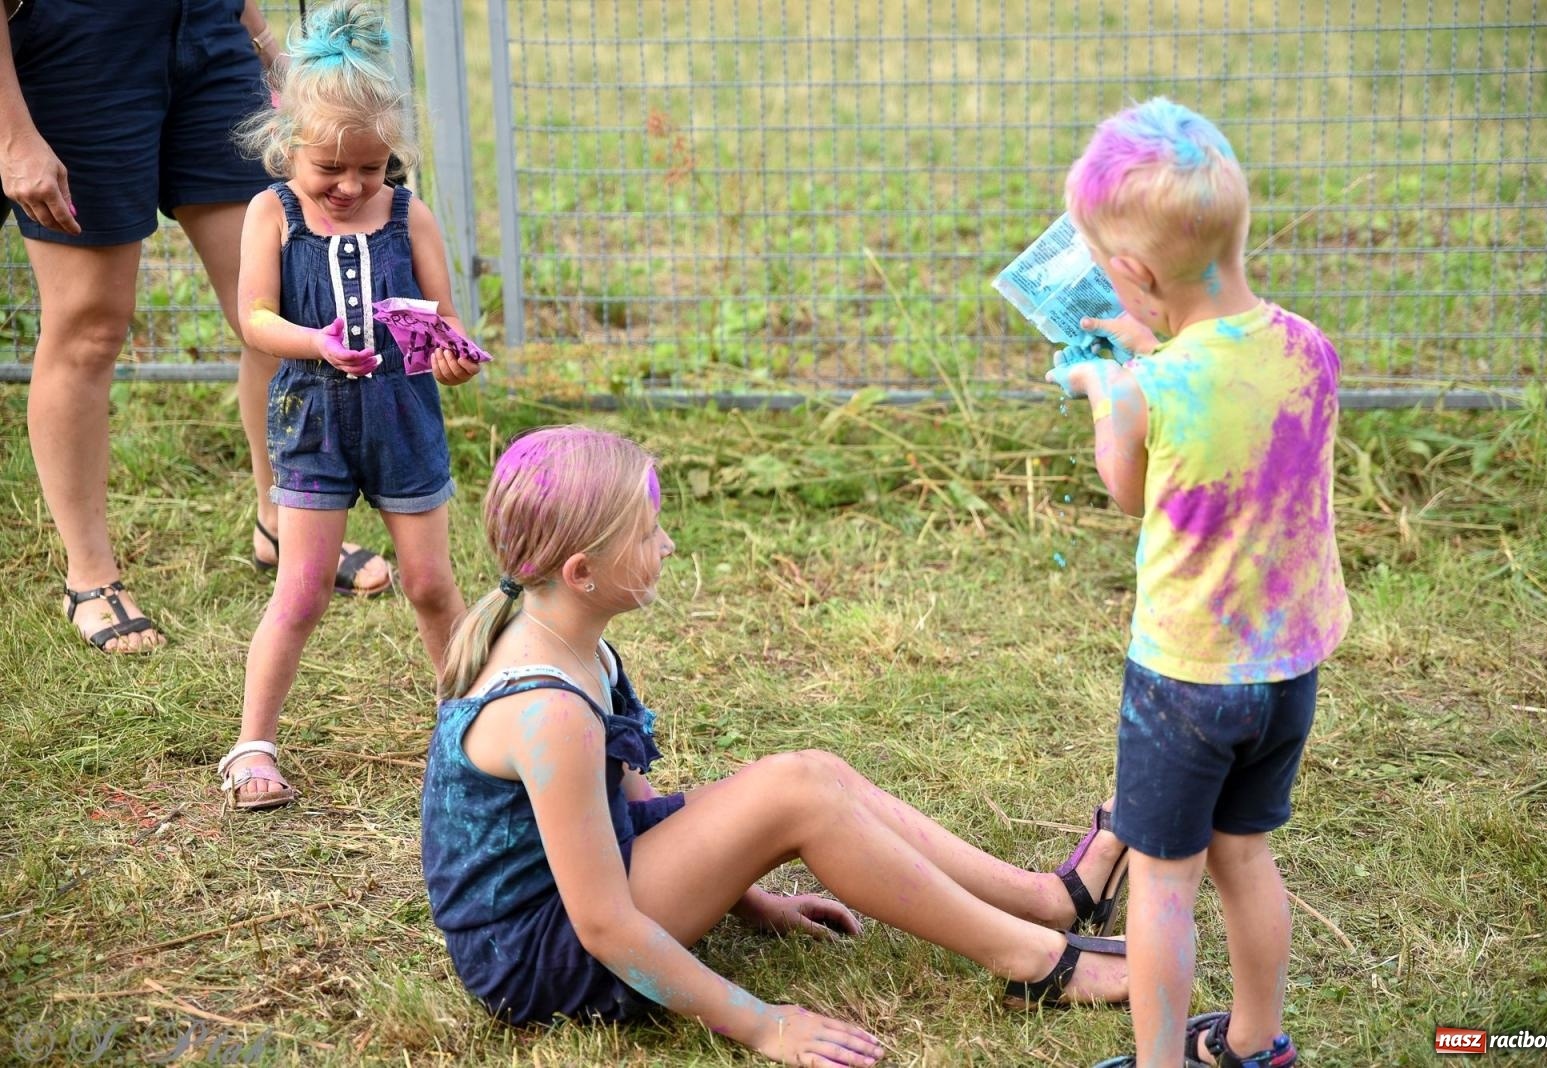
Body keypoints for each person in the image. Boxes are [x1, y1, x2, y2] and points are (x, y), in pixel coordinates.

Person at [420, 426, 1133, 1067]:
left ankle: (1050, 902)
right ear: (581, 572)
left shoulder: (572, 643)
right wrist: (765, 1026)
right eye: (647, 532)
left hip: (571, 914)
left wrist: (746, 895)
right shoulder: (547, 710)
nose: (666, 543)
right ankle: (1037, 963)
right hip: (539, 961)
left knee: (812, 776)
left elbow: (627, 808)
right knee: (798, 796)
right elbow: (604, 924)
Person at [1052, 99, 1349, 1068]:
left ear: (1133, 275)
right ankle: (1256, 1042)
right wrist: (1153, 357)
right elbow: (1230, 406)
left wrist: (1107, 394)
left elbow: (1131, 489)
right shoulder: (1308, 350)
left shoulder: (1146, 391)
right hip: (1283, 673)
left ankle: (1158, 1063)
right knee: (1244, 857)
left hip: (1184, 681)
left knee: (1165, 885)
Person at [0, 0, 392, 655]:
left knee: (282, 303)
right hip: (79, 45)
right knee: (90, 325)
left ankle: (281, 520)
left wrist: (268, 46)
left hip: (210, 34)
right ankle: (90, 576)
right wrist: (13, 137)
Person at [216, 0, 484, 810]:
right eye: (329, 169)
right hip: (313, 422)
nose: (351, 185)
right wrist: (317, 341)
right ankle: (252, 745)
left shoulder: (412, 215)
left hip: (405, 422)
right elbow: (254, 318)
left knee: (433, 584)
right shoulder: (273, 214)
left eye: (369, 168)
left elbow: (446, 319)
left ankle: (469, 728)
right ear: (286, 145)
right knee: (299, 591)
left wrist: (452, 357)